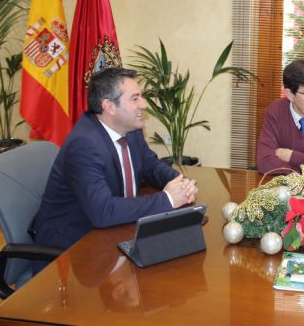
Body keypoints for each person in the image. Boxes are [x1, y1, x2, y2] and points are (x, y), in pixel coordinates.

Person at [30, 67, 198, 253]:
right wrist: (167, 199)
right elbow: (102, 211)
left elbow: (150, 164)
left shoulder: (130, 129)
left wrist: (179, 183)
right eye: (135, 99)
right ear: (109, 106)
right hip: (72, 247)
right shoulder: (84, 145)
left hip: (112, 231)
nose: (144, 104)